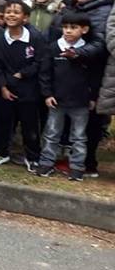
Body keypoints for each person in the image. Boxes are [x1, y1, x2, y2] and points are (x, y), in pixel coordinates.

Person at [50, 0, 113, 177]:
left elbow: (101, 42)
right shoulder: (70, 5)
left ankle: (87, 164)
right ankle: (73, 159)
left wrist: (78, 53)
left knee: (91, 120)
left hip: (93, 74)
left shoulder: (105, 9)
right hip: (66, 71)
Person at [36, 12, 99, 181]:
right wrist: (47, 94)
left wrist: (93, 97)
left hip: (81, 102)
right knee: (51, 133)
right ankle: (46, 163)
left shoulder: (88, 50)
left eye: (73, 27)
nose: (68, 31)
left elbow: (94, 77)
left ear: (84, 29)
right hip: (57, 100)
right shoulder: (53, 47)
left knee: (78, 136)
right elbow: (45, 73)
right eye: (65, 27)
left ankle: (77, 167)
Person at [0, 1, 48, 170]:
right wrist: (3, 87)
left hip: (29, 89)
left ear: (26, 17)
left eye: (16, 12)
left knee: (30, 125)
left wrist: (22, 74)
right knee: (3, 123)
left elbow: (40, 62)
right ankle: (0, 153)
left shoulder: (35, 38)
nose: (11, 15)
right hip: (6, 89)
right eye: (8, 12)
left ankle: (33, 157)